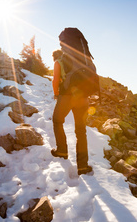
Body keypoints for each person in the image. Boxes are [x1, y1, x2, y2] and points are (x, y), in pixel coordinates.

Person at [51, 34, 93, 176]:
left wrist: (56, 94)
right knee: (81, 131)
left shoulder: (60, 61)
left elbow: (55, 80)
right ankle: (83, 166)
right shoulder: (84, 60)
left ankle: (61, 151)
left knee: (57, 121)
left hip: (67, 97)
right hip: (83, 98)